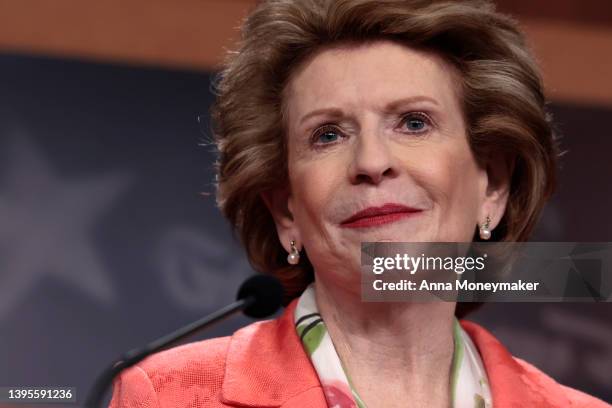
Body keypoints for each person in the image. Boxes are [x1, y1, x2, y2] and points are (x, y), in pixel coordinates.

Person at [109, 0, 610, 407]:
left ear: (492, 186)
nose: (372, 161)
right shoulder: (170, 395)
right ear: (286, 211)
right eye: (328, 135)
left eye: (414, 122)